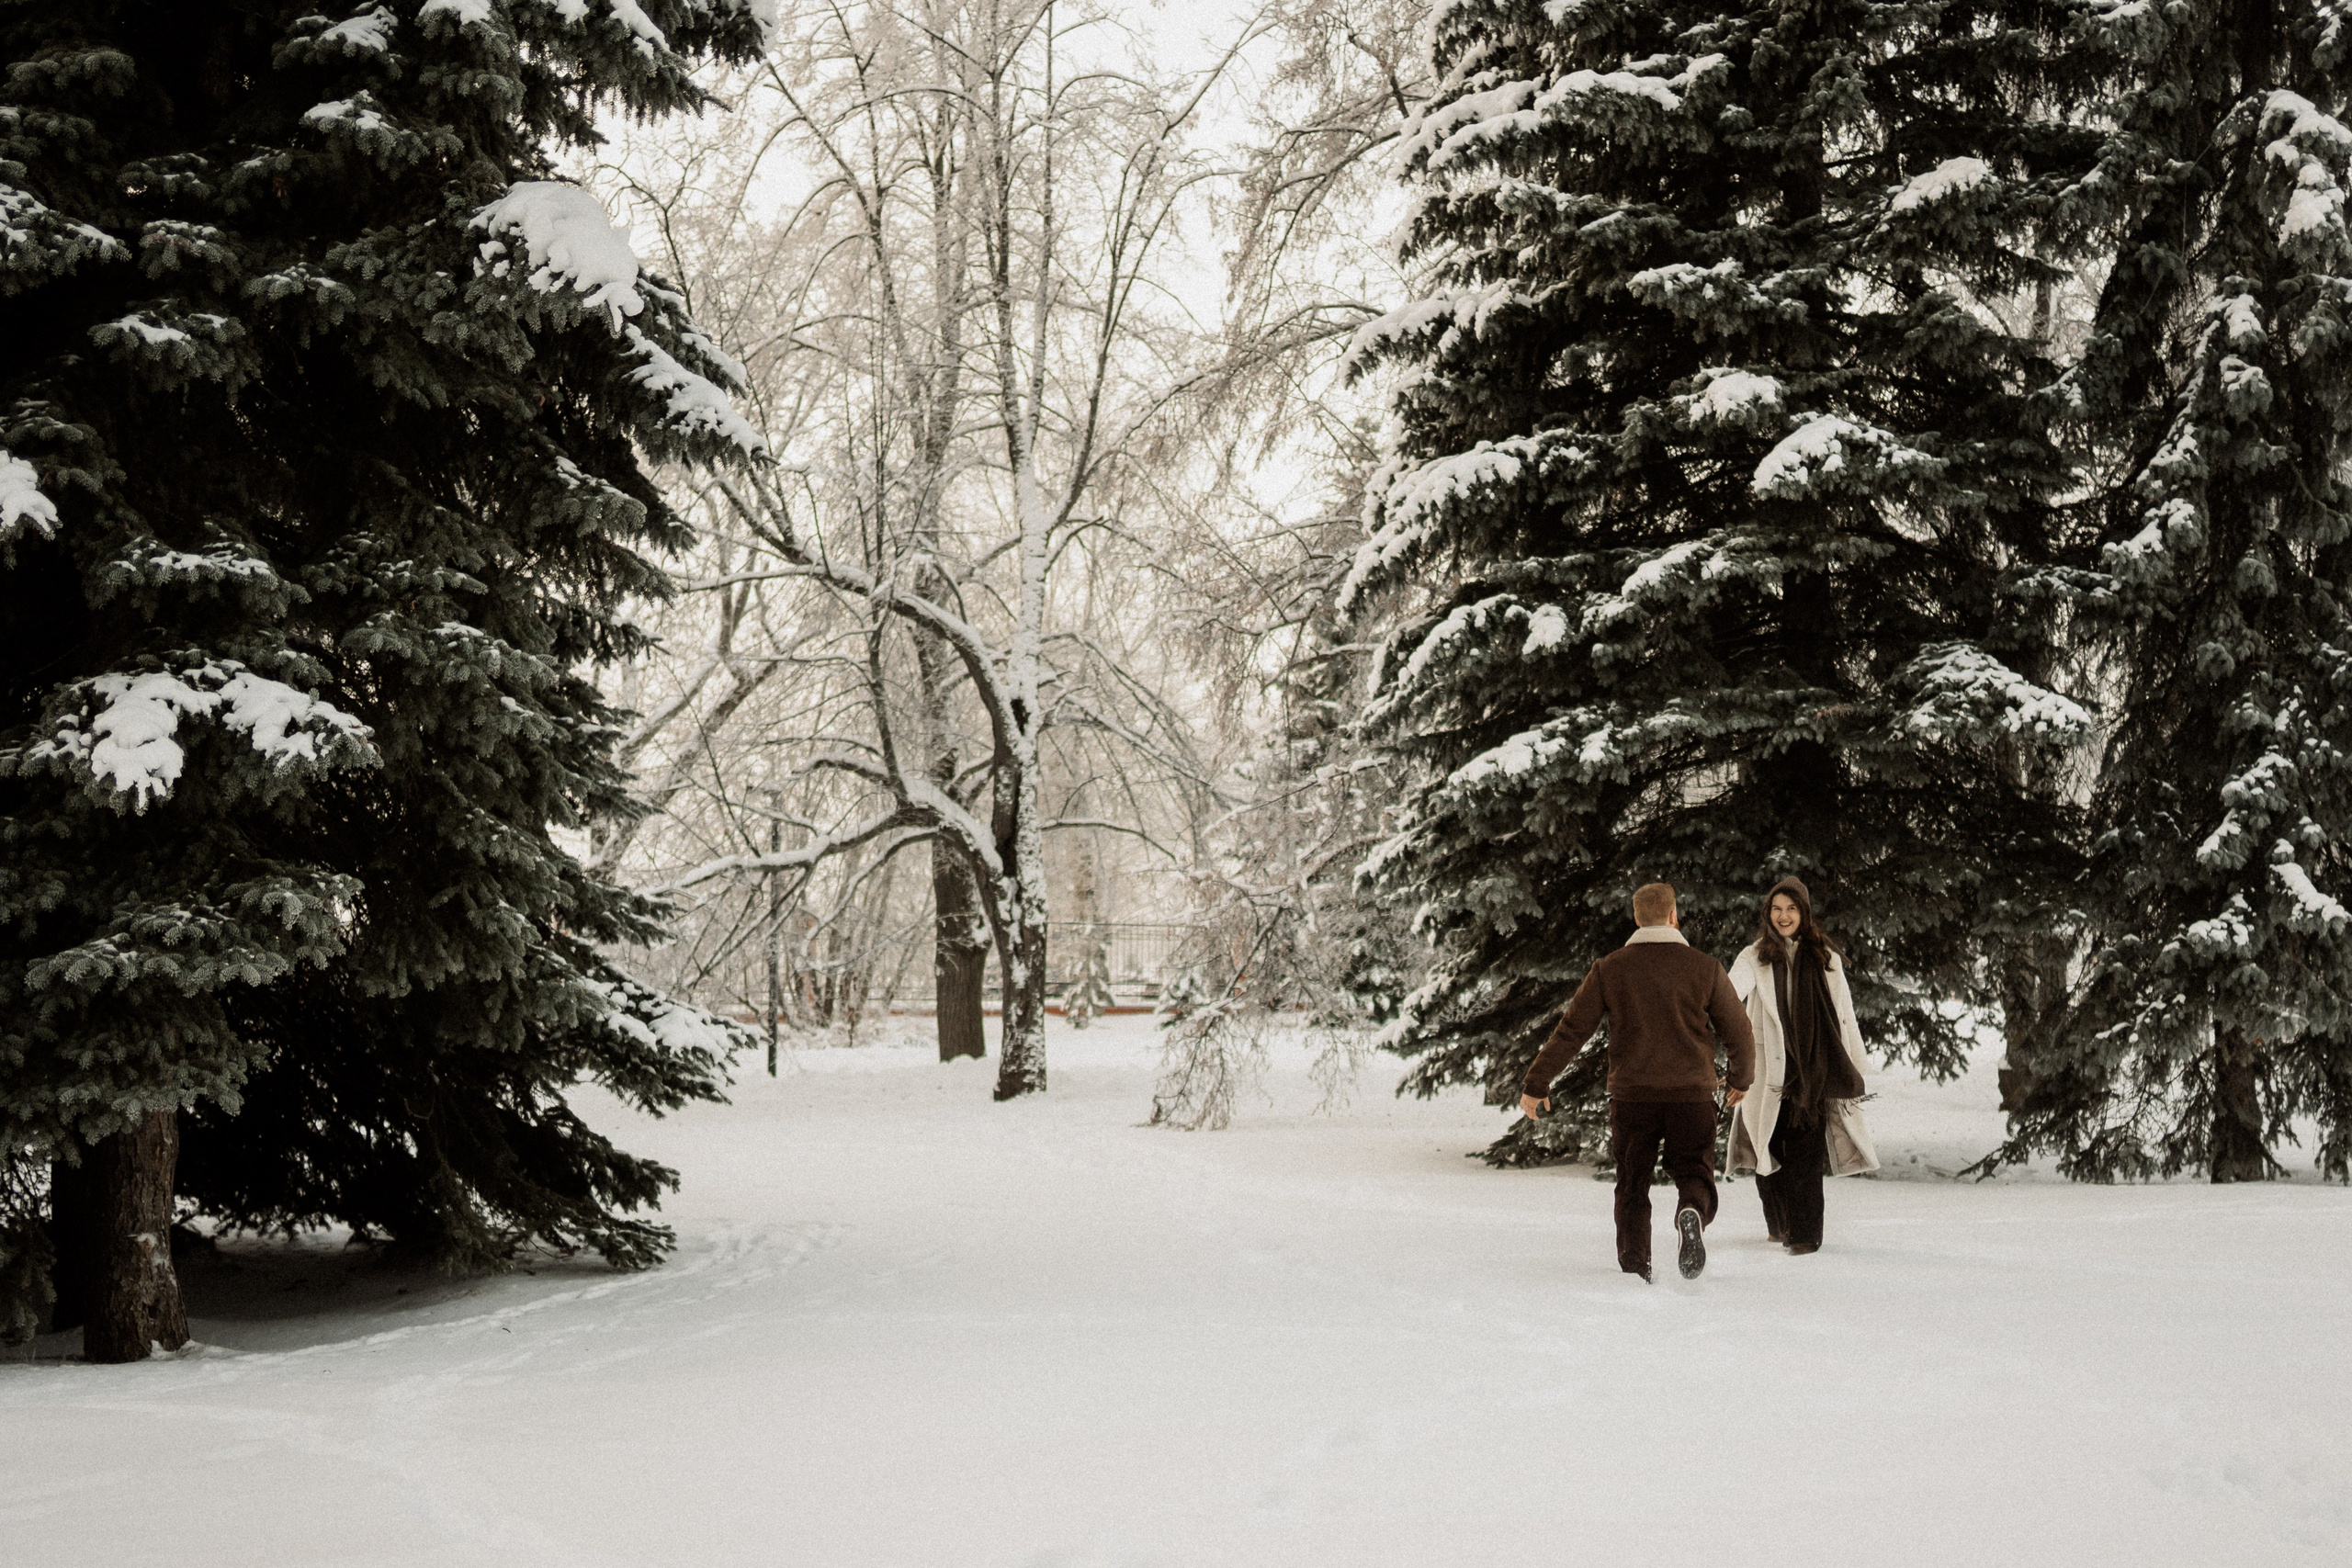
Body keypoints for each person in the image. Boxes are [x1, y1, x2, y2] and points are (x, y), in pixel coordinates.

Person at [1519, 882, 1755, 1281]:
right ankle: (1691, 1211)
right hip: (1691, 1095)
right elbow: (1739, 1032)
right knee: (1694, 1169)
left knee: (1632, 1181)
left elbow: (1573, 1029)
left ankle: (1635, 1265)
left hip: (1633, 1097)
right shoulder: (1705, 967)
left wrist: (1537, 1082)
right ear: (1673, 915)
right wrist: (1740, 1078)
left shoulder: (1610, 968)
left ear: (1636, 917)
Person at [1724, 876, 1879, 1253]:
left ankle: (1806, 1236)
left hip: (1812, 1070)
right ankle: (1780, 1224)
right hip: (1768, 1072)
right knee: (1768, 1147)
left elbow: (1844, 1013)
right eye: (1777, 909)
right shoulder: (1754, 956)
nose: (1783, 916)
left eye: (1791, 908)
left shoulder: (1826, 958)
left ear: (1803, 912)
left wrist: (1855, 1065)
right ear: (1768, 914)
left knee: (1806, 1154)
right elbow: (1728, 996)